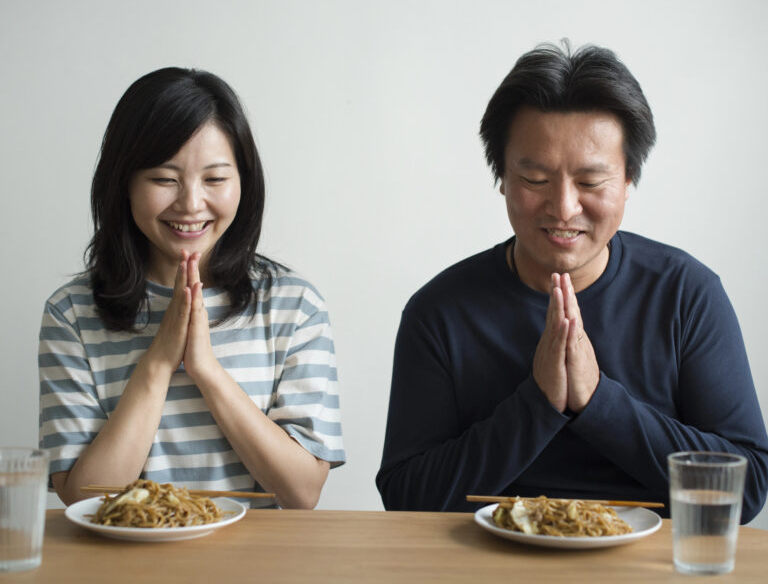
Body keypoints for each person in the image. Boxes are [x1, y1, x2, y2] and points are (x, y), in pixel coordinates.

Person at [376, 42, 768, 521]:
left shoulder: (687, 294)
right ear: (502, 176)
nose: (563, 207)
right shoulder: (439, 311)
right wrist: (537, 403)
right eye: (536, 178)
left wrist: (599, 402)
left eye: (590, 181)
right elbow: (405, 498)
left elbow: (746, 489)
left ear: (628, 181)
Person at [38, 68, 344, 509]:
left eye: (215, 179)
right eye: (164, 179)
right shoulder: (71, 313)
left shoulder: (294, 306)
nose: (190, 203)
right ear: (123, 183)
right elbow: (84, 499)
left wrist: (207, 371)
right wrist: (158, 362)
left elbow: (302, 493)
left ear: (244, 183)